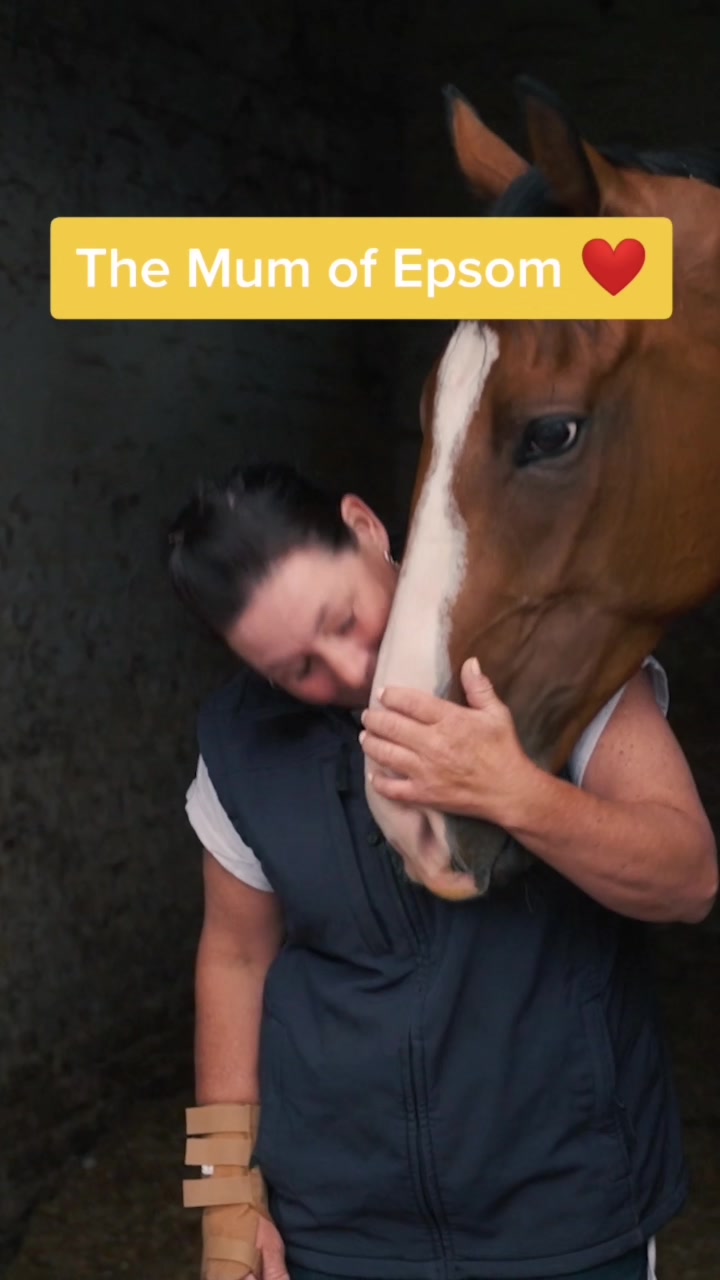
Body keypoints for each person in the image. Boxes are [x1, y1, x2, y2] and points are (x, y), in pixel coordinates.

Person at [168, 461, 717, 1280]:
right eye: (295, 670)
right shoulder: (241, 743)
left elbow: (687, 879)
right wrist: (225, 1192)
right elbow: (236, 958)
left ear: (366, 527)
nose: (347, 671)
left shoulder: (553, 655)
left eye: (344, 619)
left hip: (564, 1212)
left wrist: (514, 792)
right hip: (339, 1228)